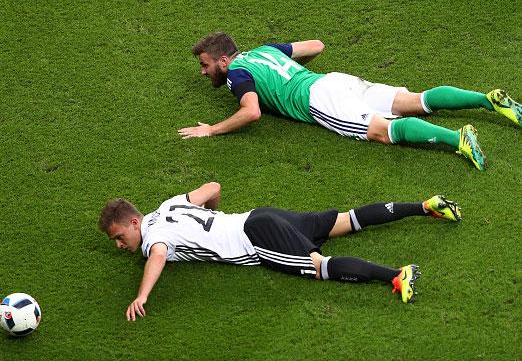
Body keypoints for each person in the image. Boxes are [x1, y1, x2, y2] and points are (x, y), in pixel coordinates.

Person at [98, 182, 462, 320]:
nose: (120, 245)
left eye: (118, 237)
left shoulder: (151, 239)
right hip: (261, 215)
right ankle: (426, 205)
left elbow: (159, 254)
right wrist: (211, 220)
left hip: (257, 238)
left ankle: (397, 276)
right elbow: (212, 187)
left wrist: (142, 295)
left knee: (318, 267)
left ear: (134, 223)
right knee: (346, 220)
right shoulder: (168, 205)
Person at [178, 32, 522, 171]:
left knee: (382, 131)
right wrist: (286, 76)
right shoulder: (265, 52)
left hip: (321, 99)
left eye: (205, 65)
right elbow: (316, 45)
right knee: (415, 100)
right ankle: (487, 99)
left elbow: (250, 112)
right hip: (335, 81)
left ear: (224, 61)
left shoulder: (238, 74)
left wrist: (212, 129)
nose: (203, 72)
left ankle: (457, 140)